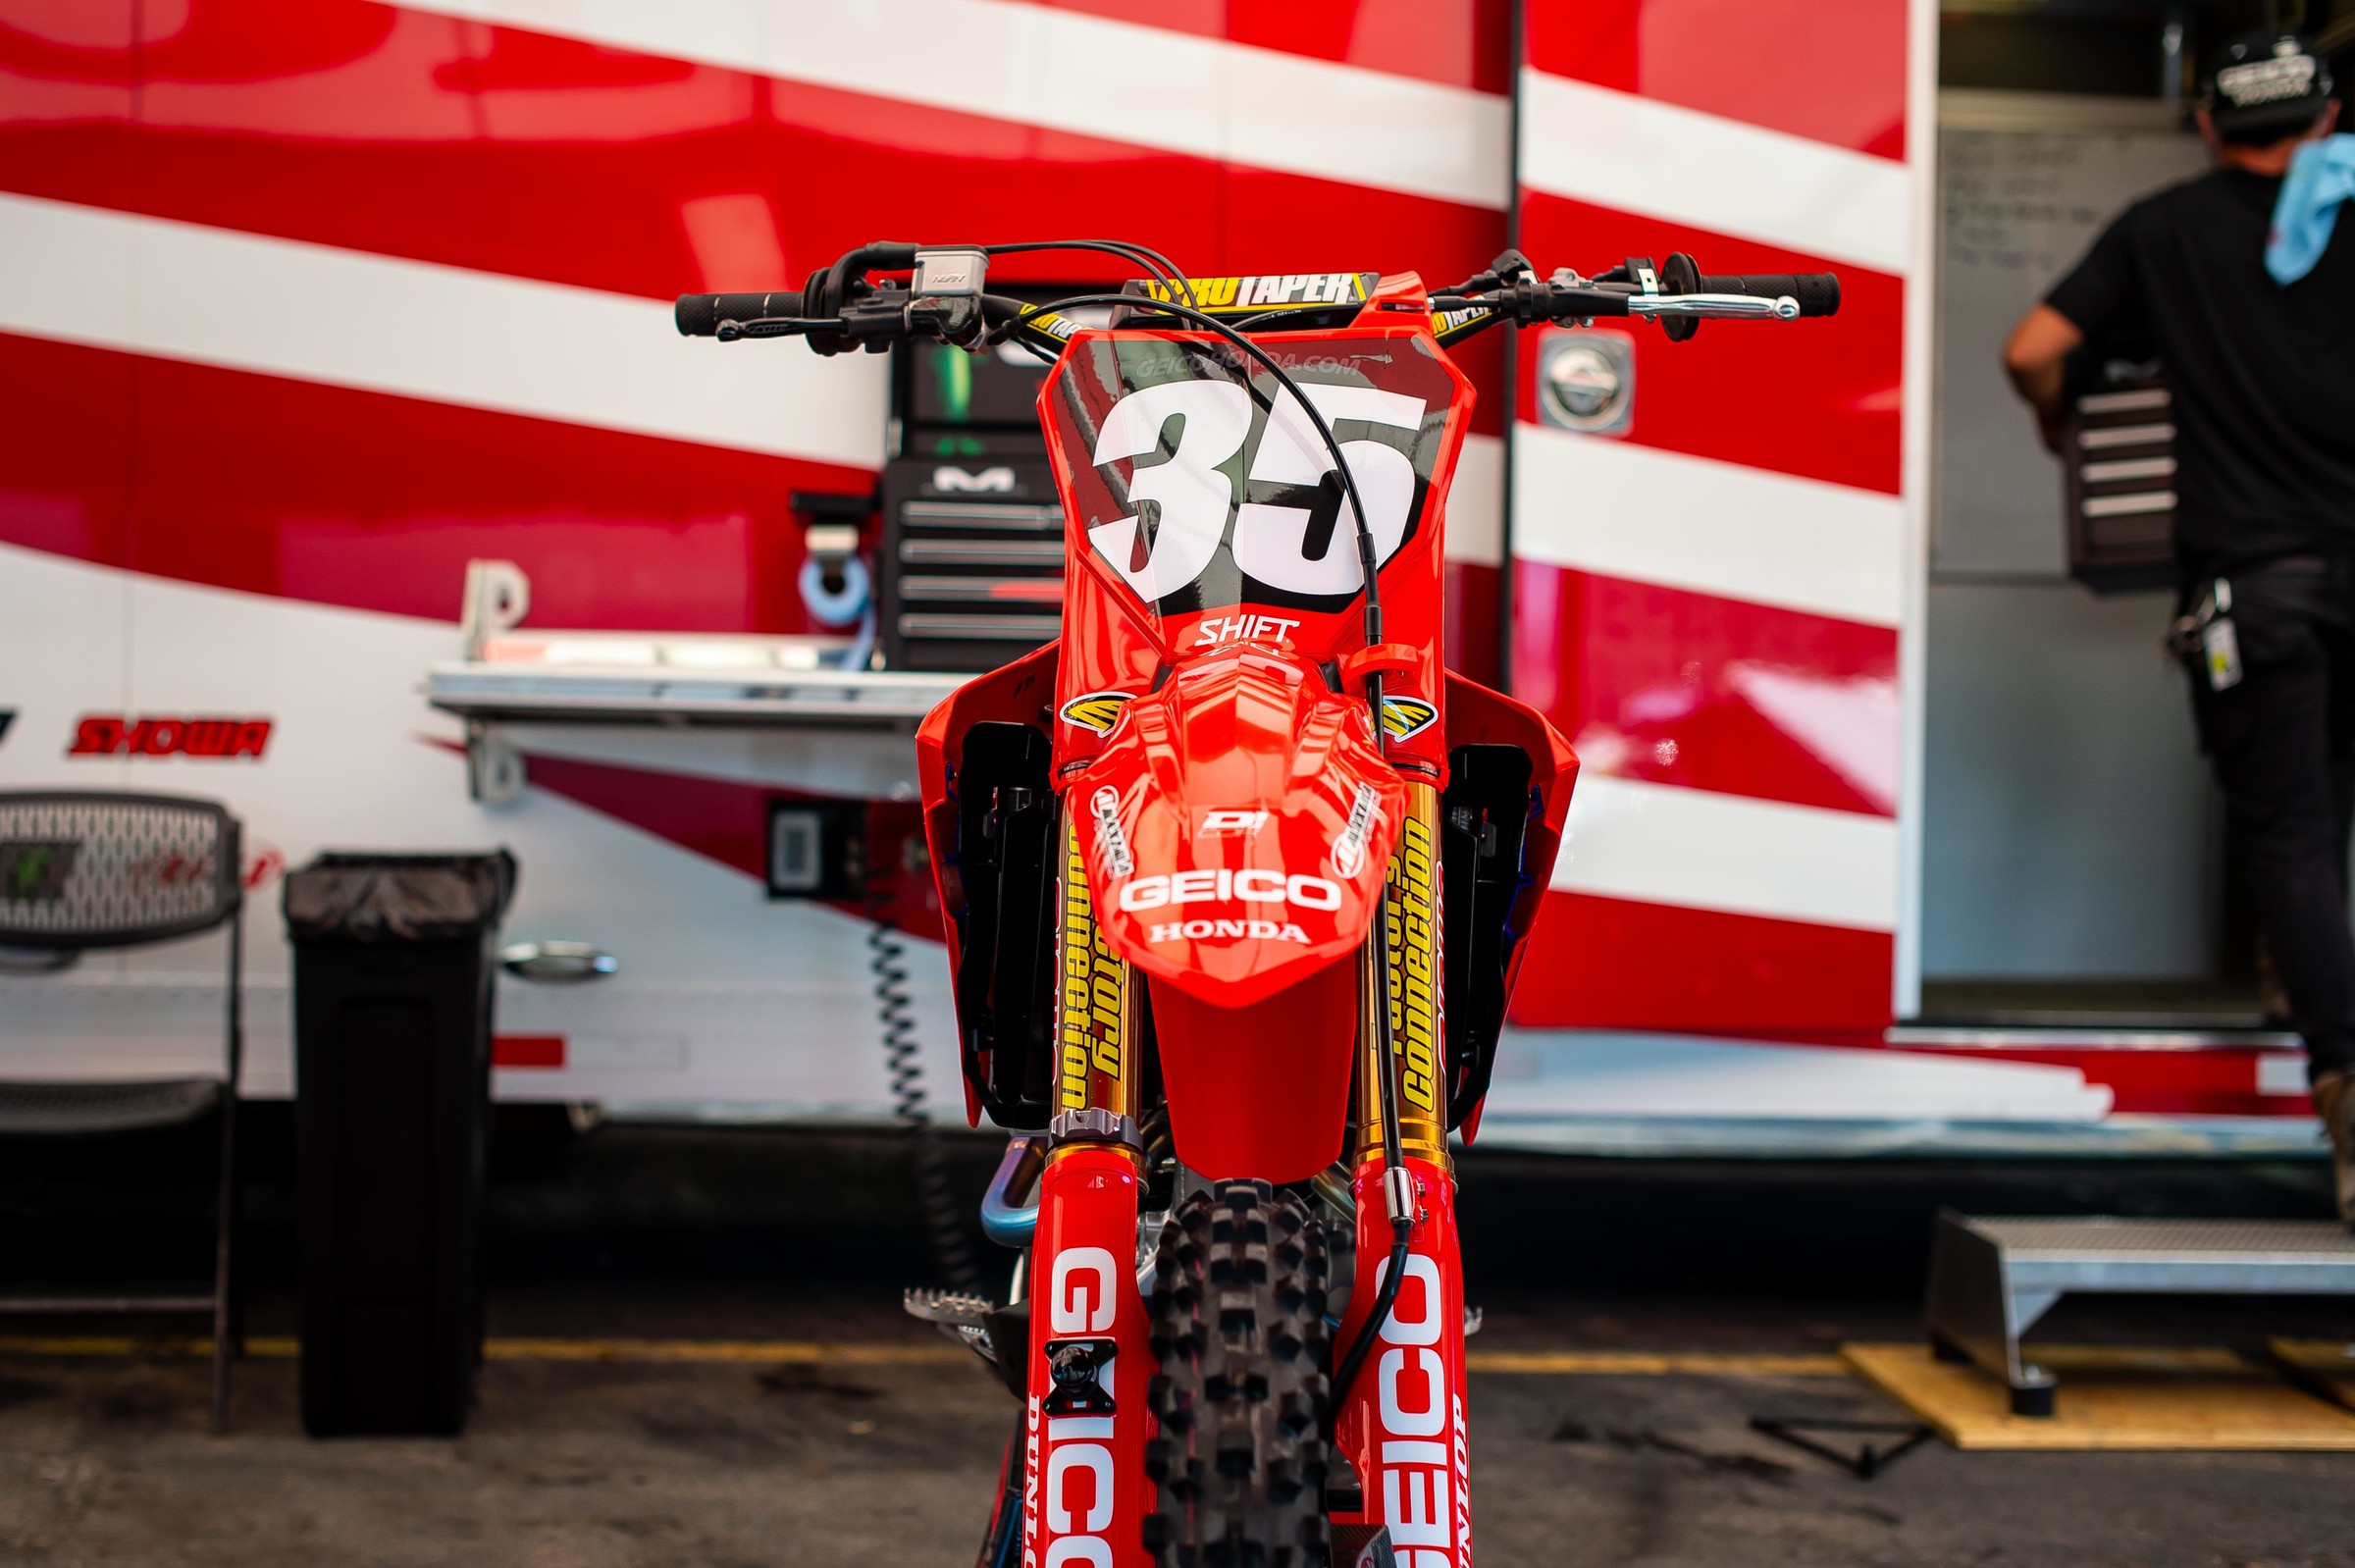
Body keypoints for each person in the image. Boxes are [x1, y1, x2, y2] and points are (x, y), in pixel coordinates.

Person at [2006, 30, 2355, 1225]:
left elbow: (2035, 351)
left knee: (2294, 835)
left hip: (2254, 589)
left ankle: (2346, 1079)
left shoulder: (2165, 229)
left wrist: (2066, 427)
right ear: (2328, 118)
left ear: (2209, 126)